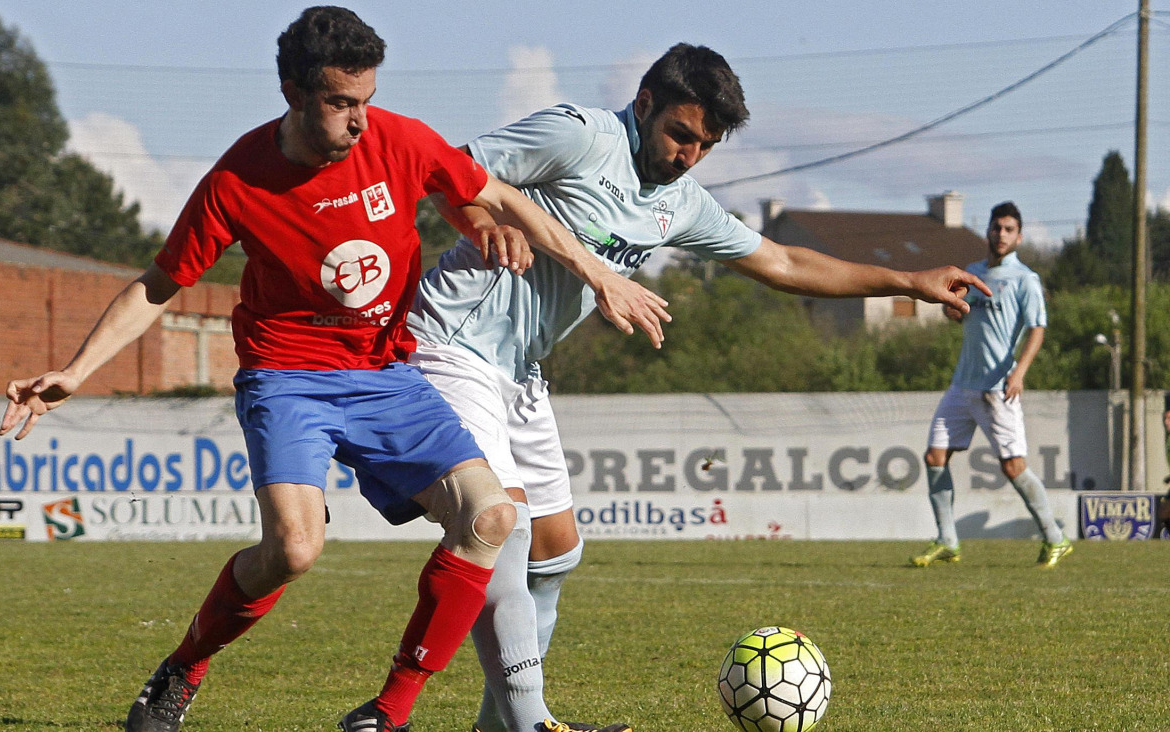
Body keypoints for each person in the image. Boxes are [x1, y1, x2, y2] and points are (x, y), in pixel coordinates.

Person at [0, 8, 668, 732]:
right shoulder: (237, 179)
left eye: (366, 102)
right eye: (341, 103)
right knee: (292, 549)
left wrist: (590, 270)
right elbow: (159, 284)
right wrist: (74, 370)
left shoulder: (398, 141)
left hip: (387, 374)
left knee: (493, 516)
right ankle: (185, 664)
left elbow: (491, 193)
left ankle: (387, 713)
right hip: (287, 378)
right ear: (292, 91)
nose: (358, 121)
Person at [405, 43, 991, 732]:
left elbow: (782, 260)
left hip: (520, 373)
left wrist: (906, 283)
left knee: (556, 552)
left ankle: (498, 726)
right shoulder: (579, 135)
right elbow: (442, 170)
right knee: (500, 531)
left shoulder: (678, 202)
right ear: (645, 104)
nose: (688, 155)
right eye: (681, 134)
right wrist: (486, 222)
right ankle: (532, 724)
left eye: (705, 146)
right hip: (450, 342)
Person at [911, 201, 1073, 569]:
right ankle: (948, 540)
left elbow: (1037, 329)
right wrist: (950, 309)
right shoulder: (972, 272)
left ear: (1019, 235)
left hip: (998, 386)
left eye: (1009, 229)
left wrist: (1019, 373)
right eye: (996, 227)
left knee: (1014, 466)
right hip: (962, 383)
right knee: (935, 456)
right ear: (987, 230)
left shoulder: (1025, 279)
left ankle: (1055, 537)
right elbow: (958, 312)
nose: (1001, 234)